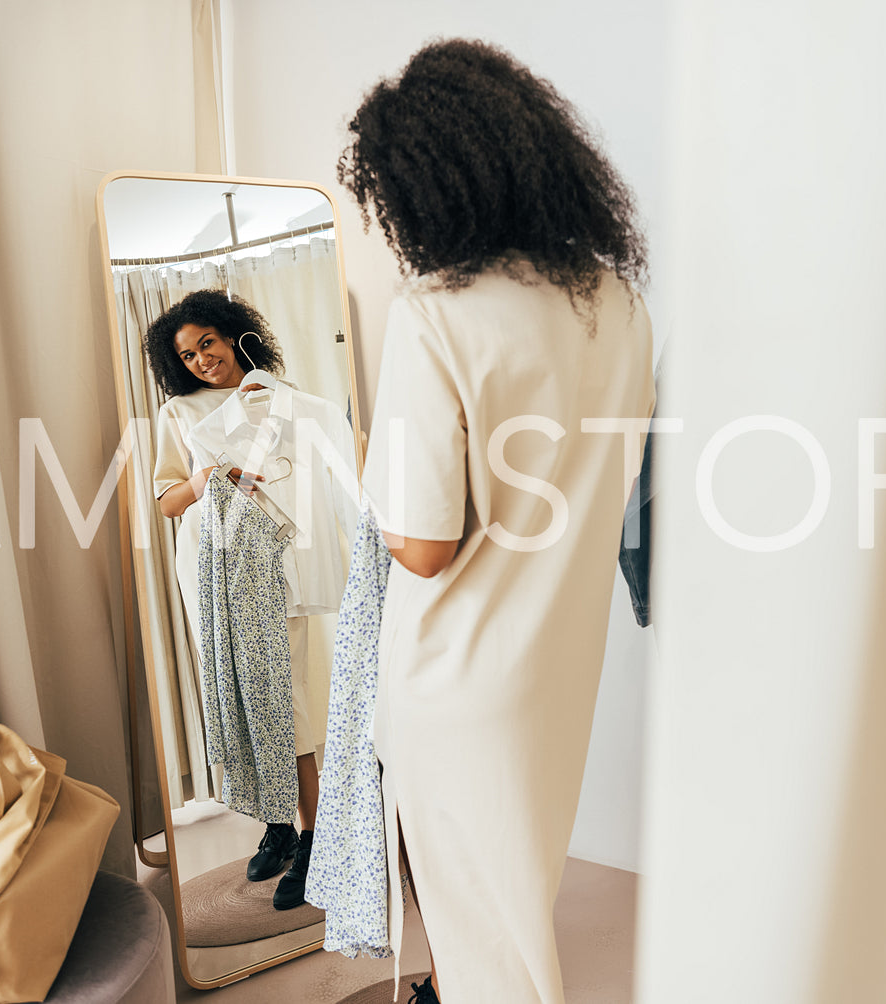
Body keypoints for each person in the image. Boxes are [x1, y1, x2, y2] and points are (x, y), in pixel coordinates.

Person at [339, 39, 655, 1004]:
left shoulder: (437, 313)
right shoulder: (616, 301)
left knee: (491, 937)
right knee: (510, 893)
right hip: (557, 661)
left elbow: (423, 548)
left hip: (454, 672)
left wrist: (373, 487)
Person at [144, 289, 321, 910]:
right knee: (238, 695)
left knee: (288, 697)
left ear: (232, 334)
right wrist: (204, 478)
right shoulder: (179, 414)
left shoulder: (283, 398)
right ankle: (276, 827)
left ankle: (315, 838)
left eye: (207, 344)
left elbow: (313, 482)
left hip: (276, 559)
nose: (199, 360)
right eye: (187, 355)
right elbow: (164, 502)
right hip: (210, 565)